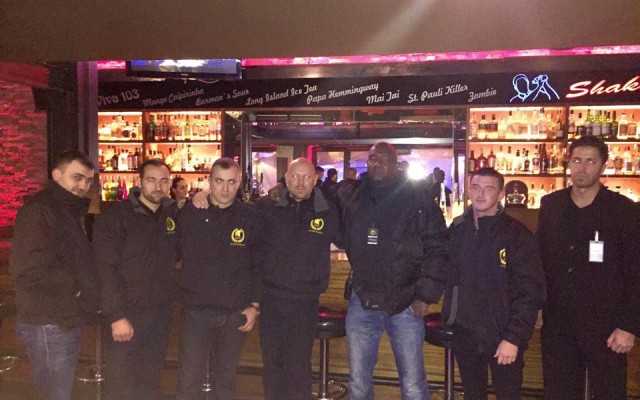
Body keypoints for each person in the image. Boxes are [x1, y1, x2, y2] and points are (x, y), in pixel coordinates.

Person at [336, 142, 448, 400]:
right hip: (362, 298)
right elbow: (315, 196)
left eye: (384, 159)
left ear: (396, 163)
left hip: (405, 301)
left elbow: (438, 247)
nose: (377, 163)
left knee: (413, 384)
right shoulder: (353, 194)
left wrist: (425, 295)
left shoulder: (417, 198)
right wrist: (283, 190)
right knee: (358, 382)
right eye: (373, 158)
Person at [537, 136, 640, 400]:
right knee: (558, 393)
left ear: (603, 166)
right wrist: (537, 306)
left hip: (606, 325)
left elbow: (635, 271)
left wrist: (629, 326)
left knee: (609, 392)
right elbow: (541, 262)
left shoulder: (623, 210)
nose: (582, 168)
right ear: (568, 163)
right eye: (577, 160)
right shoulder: (551, 205)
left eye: (590, 161)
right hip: (558, 321)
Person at [443, 167, 545, 400]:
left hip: (503, 333)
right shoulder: (458, 230)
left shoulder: (516, 235)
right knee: (472, 394)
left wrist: (513, 338)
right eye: (476, 187)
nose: (481, 194)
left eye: (489, 189)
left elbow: (529, 291)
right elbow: (447, 274)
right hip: (466, 332)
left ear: (500, 195)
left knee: (508, 394)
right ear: (469, 190)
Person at [10, 150, 98, 400]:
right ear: (56, 175)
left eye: (88, 180)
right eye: (77, 177)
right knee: (55, 393)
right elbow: (27, 268)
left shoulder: (66, 209)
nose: (83, 185)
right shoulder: (41, 209)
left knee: (59, 389)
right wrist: (76, 288)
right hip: (48, 319)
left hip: (61, 315)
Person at [175, 158, 262, 400]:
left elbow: (258, 265)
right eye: (219, 181)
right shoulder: (190, 214)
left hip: (234, 312)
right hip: (196, 311)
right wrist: (192, 198)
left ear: (239, 183)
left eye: (231, 182)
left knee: (225, 382)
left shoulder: (250, 217)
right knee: (188, 381)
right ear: (209, 182)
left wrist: (255, 305)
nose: (225, 188)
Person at [93, 159, 178, 400]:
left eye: (163, 181)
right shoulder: (115, 217)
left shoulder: (171, 215)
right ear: (140, 182)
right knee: (121, 381)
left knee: (151, 378)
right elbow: (104, 269)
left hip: (160, 313)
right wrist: (116, 315)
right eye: (151, 180)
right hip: (126, 312)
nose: (158, 187)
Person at [256, 158, 339, 400]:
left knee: (299, 365)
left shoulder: (328, 210)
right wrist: (204, 197)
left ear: (315, 180)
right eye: (295, 176)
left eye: (306, 177)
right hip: (271, 298)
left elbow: (350, 236)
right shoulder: (267, 207)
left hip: (305, 300)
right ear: (286, 178)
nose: (300, 182)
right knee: (272, 363)